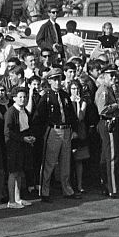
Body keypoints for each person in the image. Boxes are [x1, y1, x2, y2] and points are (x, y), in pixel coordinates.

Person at [34, 68, 80, 202]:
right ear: (49, 81)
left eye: (59, 79)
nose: (57, 82)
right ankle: (44, 191)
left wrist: (74, 130)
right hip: (53, 130)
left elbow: (71, 115)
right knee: (49, 162)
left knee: (66, 162)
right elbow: (39, 117)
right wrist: (43, 132)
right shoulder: (47, 96)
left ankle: (67, 189)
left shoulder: (65, 95)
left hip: (66, 130)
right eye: (54, 79)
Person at [95, 66, 119, 198]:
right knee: (112, 156)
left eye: (115, 76)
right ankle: (114, 189)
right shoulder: (104, 90)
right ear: (104, 76)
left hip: (111, 121)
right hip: (108, 122)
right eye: (111, 76)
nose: (114, 78)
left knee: (107, 156)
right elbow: (102, 109)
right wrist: (117, 105)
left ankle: (107, 185)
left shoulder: (109, 89)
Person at [4, 85, 36, 209]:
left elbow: (26, 127)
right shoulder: (11, 112)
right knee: (13, 173)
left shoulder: (24, 111)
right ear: (14, 98)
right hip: (13, 146)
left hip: (22, 145)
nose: (23, 99)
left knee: (19, 172)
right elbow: (8, 131)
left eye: (24, 97)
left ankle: (18, 198)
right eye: (20, 97)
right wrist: (22, 138)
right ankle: (11, 201)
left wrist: (30, 137)